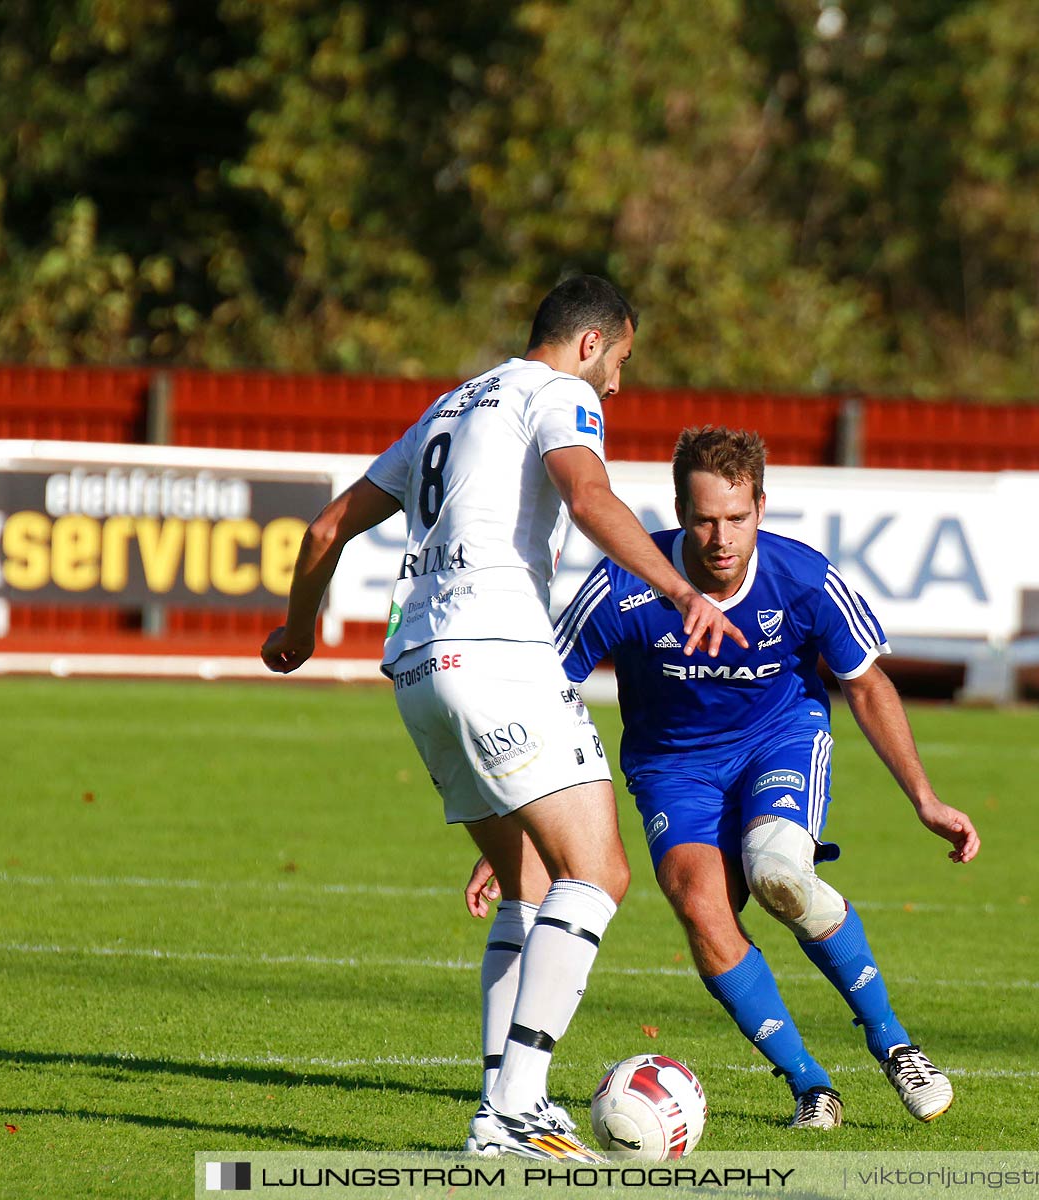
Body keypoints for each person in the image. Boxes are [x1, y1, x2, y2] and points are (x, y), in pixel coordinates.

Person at [260, 276, 747, 1162]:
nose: (618, 386)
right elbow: (589, 497)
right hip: (499, 652)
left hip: (416, 667)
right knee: (596, 873)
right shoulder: (558, 393)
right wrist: (679, 588)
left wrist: (297, 634)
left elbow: (327, 529)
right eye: (622, 363)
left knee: (529, 880)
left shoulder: (449, 407)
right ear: (592, 343)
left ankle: (501, 1112)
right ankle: (518, 1106)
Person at [467, 425, 981, 1130]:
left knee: (777, 873)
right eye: (705, 519)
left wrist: (924, 798)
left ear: (761, 508)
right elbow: (548, 692)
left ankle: (894, 1044)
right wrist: (515, 819)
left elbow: (866, 684)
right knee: (703, 909)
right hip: (673, 766)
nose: (720, 538)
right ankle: (811, 1087)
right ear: (679, 513)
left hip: (780, 742)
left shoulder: (802, 578)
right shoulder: (625, 583)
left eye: (736, 518)